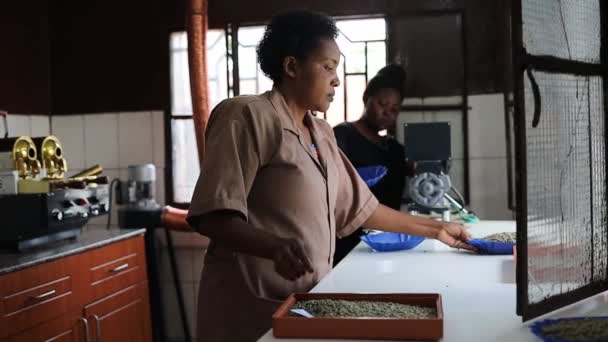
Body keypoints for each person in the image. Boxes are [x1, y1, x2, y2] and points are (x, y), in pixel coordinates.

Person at [187, 10, 473, 342]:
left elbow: (364, 209)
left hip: (306, 304)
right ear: (292, 67)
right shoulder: (247, 116)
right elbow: (212, 217)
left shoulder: (320, 132)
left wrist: (437, 229)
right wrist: (273, 246)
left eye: (337, 68)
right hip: (249, 307)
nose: (336, 79)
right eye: (328, 67)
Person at [332, 65, 408, 265]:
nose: (387, 113)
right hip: (348, 240)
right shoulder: (343, 135)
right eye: (382, 104)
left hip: (387, 238)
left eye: (394, 109)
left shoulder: (395, 149)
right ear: (367, 100)